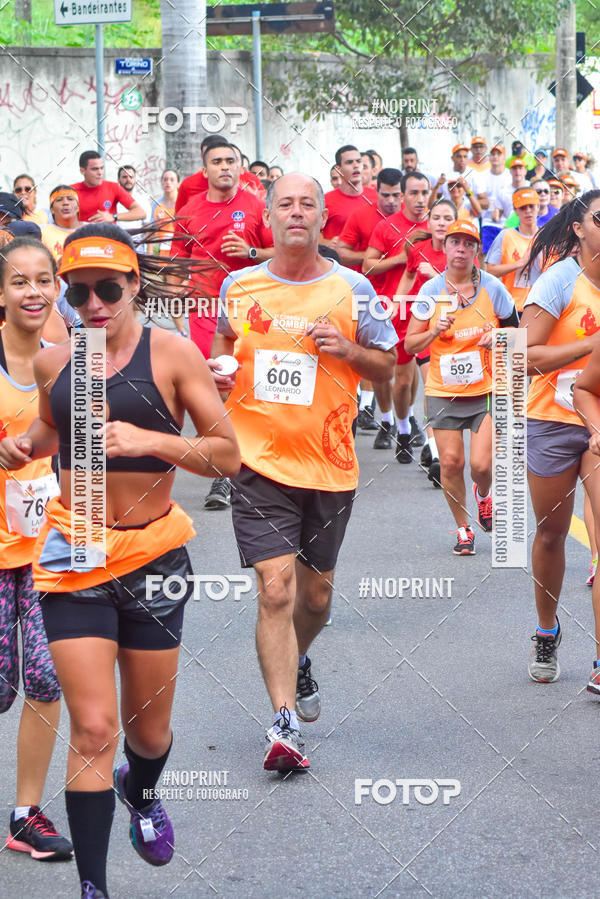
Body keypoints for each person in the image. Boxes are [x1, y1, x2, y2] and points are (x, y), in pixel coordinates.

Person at [0, 223, 241, 899]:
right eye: (78, 291)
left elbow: (226, 455)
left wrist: (149, 438)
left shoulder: (173, 355)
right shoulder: (58, 361)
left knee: (147, 730)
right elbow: (49, 434)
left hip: (153, 554)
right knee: (95, 724)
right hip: (75, 555)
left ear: (135, 285)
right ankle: (94, 887)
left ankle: (143, 787)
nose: (94, 303)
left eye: (109, 287)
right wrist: (20, 447)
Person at [210, 173, 397, 772]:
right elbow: (222, 350)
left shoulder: (354, 289)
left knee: (314, 598)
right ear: (267, 216)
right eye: (284, 203)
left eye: (307, 204)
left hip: (330, 465)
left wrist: (349, 352)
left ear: (322, 219)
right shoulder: (239, 286)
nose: (296, 212)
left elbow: (389, 369)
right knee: (276, 589)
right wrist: (215, 378)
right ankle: (283, 721)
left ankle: (300, 655)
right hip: (258, 462)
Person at [0, 236, 73, 864]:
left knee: (47, 681)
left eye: (42, 280)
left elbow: (92, 458)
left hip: (50, 552)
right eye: (19, 281)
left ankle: (27, 815)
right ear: (1, 293)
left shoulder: (73, 360)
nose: (32, 292)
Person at [521, 189, 600, 687]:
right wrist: (591, 343)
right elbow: (524, 357)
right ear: (579, 228)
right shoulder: (560, 279)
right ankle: (546, 631)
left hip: (599, 426)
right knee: (552, 534)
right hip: (551, 418)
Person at [404, 219, 518, 554]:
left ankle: (483, 495)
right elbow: (411, 345)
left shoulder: (493, 287)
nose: (461, 249)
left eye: (468, 244)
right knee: (451, 464)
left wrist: (497, 336)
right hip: (443, 390)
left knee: (482, 465)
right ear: (445, 247)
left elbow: (519, 332)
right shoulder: (430, 292)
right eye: (455, 242)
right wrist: (434, 331)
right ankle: (463, 528)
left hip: (485, 389)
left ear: (476, 251)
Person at [172, 140, 273, 510]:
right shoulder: (188, 212)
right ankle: (222, 476)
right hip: (203, 308)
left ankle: (249, 461)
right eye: (217, 162)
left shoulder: (257, 207)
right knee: (215, 387)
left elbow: (281, 253)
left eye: (231, 161)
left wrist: (250, 254)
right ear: (205, 170)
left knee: (245, 385)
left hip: (248, 310)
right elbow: (176, 262)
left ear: (240, 167)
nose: (225, 167)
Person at [363, 172, 431, 459]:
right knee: (393, 376)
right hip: (393, 308)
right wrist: (403, 258)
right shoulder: (387, 226)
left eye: (425, 193)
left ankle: (414, 431)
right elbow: (368, 265)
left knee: (414, 377)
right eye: (414, 193)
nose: (420, 199)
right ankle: (390, 419)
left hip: (430, 310)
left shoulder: (437, 227)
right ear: (403, 196)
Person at [337, 168, 403, 446]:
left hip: (407, 299)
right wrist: (379, 256)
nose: (390, 201)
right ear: (376, 189)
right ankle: (384, 416)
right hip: (369, 297)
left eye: (396, 195)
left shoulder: (414, 220)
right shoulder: (362, 215)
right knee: (378, 362)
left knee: (405, 373)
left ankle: (402, 418)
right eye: (385, 195)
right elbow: (341, 252)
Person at [396, 198, 458, 483]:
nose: (442, 223)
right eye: (437, 218)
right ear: (429, 222)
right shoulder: (417, 249)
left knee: (453, 398)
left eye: (448, 218)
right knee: (432, 390)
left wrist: (435, 276)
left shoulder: (461, 252)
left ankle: (439, 447)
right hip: (425, 331)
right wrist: (396, 301)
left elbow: (468, 294)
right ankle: (435, 455)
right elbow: (408, 276)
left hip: (457, 333)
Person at [485, 187, 541, 315]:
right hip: (511, 308)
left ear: (538, 207)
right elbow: (490, 271)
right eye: (522, 207)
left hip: (540, 308)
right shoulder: (505, 236)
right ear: (515, 210)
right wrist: (520, 263)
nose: (528, 211)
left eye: (531, 206)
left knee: (531, 336)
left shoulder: (547, 237)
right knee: (505, 336)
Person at [175, 137, 263, 211]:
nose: (224, 166)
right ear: (202, 156)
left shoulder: (251, 181)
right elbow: (179, 219)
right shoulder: (188, 184)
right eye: (216, 161)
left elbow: (266, 213)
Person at [72, 151, 145, 225]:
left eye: (101, 168)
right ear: (82, 171)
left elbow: (141, 212)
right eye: (95, 169)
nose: (100, 173)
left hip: (109, 235)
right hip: (83, 235)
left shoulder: (113, 187)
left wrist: (113, 216)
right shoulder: (72, 191)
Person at [322, 144, 377, 243]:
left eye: (359, 161)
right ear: (339, 169)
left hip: (372, 258)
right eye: (349, 162)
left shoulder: (377, 197)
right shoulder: (325, 200)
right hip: (337, 258)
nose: (356, 165)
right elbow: (312, 235)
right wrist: (326, 244)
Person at [430, 144, 489, 210]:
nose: (462, 159)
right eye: (459, 156)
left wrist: (468, 194)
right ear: (452, 158)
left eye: (465, 156)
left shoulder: (474, 174)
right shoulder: (445, 175)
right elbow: (434, 201)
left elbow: (485, 203)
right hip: (448, 211)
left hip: (468, 213)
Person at [480, 144, 513, 252]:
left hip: (507, 221)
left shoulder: (510, 175)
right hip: (488, 221)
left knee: (506, 253)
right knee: (487, 254)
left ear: (504, 158)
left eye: (499, 154)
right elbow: (481, 199)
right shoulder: (483, 176)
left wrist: (499, 211)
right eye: (493, 154)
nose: (495, 156)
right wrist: (493, 208)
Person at [150, 169, 179, 257]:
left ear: (178, 183)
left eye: (172, 180)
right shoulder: (157, 205)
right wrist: (157, 222)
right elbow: (150, 232)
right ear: (161, 183)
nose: (168, 182)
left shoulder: (184, 204)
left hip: (179, 254)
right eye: (165, 179)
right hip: (161, 254)